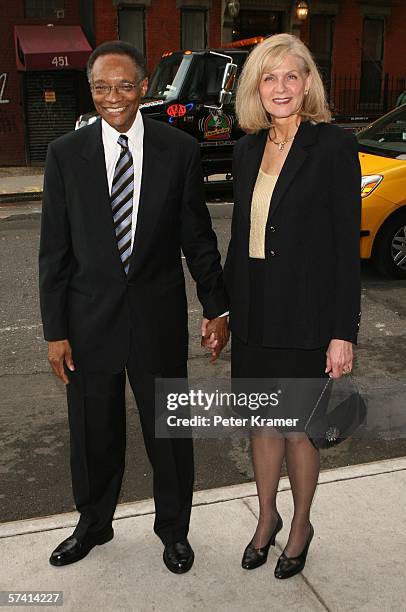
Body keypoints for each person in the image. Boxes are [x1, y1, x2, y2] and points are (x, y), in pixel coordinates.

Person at [39, 41, 228, 573]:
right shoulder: (64, 155)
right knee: (92, 434)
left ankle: (174, 531)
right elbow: (53, 252)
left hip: (156, 322)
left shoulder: (179, 150)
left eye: (124, 85)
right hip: (87, 325)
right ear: (91, 90)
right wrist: (56, 330)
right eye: (101, 87)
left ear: (144, 86)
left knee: (168, 436)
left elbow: (197, 237)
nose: (112, 97)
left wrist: (218, 309)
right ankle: (93, 525)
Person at [224, 33, 361, 579]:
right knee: (262, 423)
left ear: (308, 84)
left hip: (307, 315)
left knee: (299, 427)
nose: (280, 87)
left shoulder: (332, 146)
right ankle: (267, 519)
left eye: (290, 76)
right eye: (268, 76)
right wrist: (225, 311)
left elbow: (344, 248)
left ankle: (301, 524)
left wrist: (341, 331)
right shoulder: (246, 147)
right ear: (256, 87)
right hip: (255, 310)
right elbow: (242, 236)